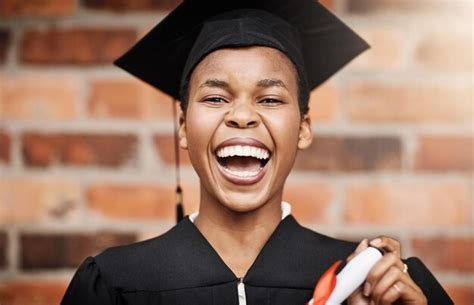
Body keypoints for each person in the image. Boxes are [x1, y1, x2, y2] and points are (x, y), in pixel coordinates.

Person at [61, 1, 453, 304]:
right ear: (183, 127)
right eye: (215, 97)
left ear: (303, 127)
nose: (243, 116)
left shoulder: (369, 283)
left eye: (269, 98)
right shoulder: (116, 285)